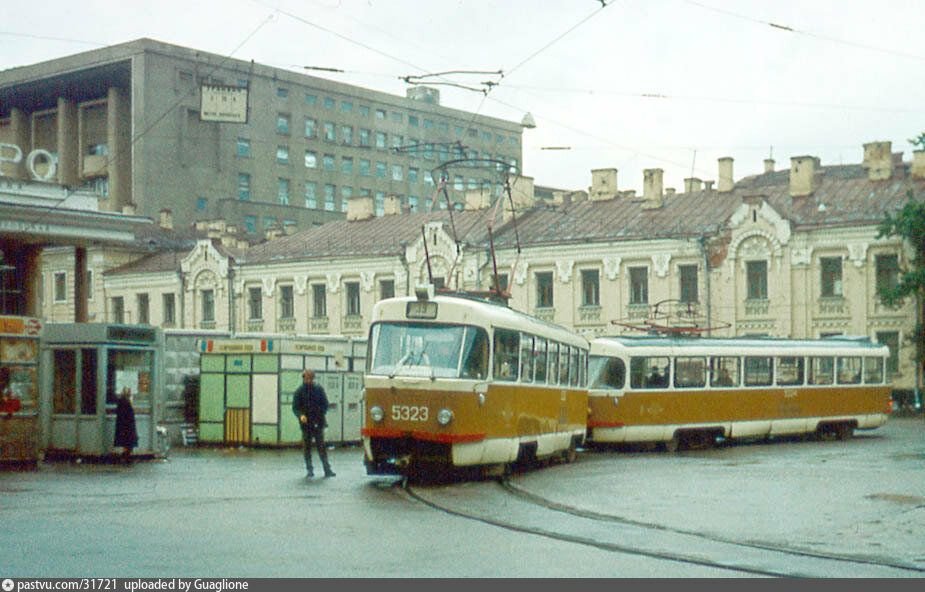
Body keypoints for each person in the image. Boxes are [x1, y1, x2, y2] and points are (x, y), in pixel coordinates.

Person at [292, 369, 334, 478]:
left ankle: (327, 469)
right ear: (303, 378)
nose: (309, 380)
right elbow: (295, 407)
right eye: (307, 378)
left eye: (311, 378)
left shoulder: (319, 390)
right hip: (306, 425)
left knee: (321, 447)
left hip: (318, 423)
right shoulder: (299, 391)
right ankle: (309, 470)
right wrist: (301, 415)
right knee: (307, 448)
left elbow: (325, 404)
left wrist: (321, 413)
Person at [114, 387, 138, 464]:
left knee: (126, 443)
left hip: (123, 425)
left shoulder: (121, 401)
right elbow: (129, 414)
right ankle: (126, 457)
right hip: (128, 426)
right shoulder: (126, 402)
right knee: (129, 442)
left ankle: (125, 457)